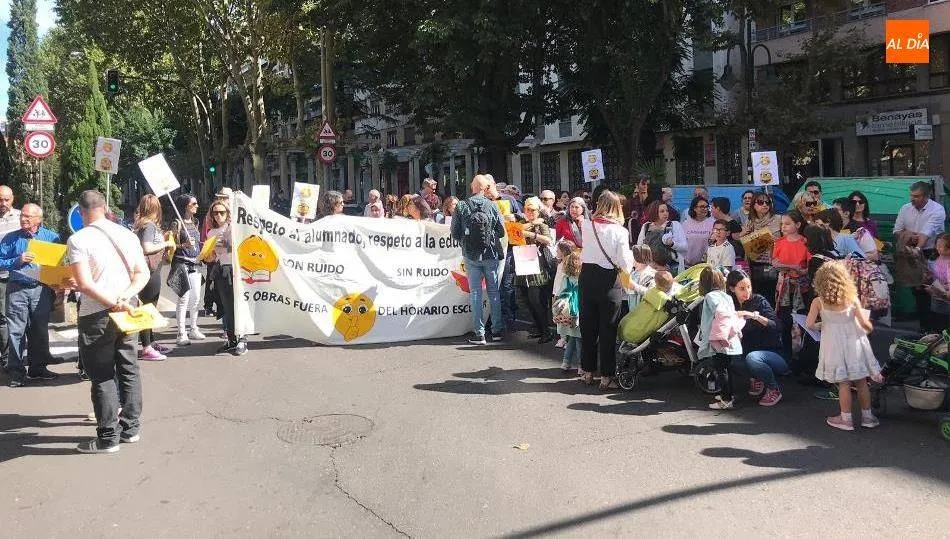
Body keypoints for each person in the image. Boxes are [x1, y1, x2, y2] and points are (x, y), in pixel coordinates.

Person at [68, 190, 150, 453]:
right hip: (129, 309)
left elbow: (84, 284)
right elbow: (142, 273)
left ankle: (107, 438)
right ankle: (131, 429)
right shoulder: (127, 234)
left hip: (96, 315)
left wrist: (112, 301)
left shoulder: (78, 239)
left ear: (81, 212)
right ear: (105, 207)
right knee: (129, 367)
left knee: (102, 375)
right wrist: (124, 297)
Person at [806, 261, 882, 431]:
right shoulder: (852, 300)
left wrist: (822, 324)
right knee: (861, 381)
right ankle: (868, 417)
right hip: (854, 343)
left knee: (844, 383)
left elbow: (810, 324)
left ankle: (846, 418)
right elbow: (867, 326)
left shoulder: (818, 302)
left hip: (833, 345)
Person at [0, 203, 61, 386]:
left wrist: (58, 284)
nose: (23, 219)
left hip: (41, 289)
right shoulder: (10, 238)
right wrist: (17, 260)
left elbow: (57, 264)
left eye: (27, 216)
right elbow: (1, 261)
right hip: (17, 288)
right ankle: (17, 372)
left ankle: (38, 368)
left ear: (38, 219)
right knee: (16, 331)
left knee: (39, 330)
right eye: (22, 216)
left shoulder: (51, 237)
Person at [578, 190, 633, 390]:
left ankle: (587, 371)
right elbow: (624, 262)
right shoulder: (620, 231)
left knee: (588, 328)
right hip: (609, 281)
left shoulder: (586, 225)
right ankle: (607, 376)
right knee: (607, 330)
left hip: (587, 278)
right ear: (617, 207)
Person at [450, 175, 507, 345]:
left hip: (471, 255)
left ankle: (479, 333)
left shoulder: (461, 205)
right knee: (494, 293)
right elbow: (502, 231)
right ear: (485, 188)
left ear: (472, 186)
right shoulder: (492, 205)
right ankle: (496, 331)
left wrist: (465, 242)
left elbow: (454, 232)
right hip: (490, 255)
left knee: (475, 293)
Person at [727, 270, 787, 407]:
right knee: (731, 358)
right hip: (747, 349)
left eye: (748, 287)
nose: (746, 291)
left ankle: (773, 389)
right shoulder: (731, 305)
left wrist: (755, 316)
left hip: (773, 354)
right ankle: (756, 377)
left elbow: (776, 326)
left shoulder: (759, 301)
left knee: (753, 358)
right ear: (732, 289)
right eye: (742, 288)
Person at [893, 181, 947, 333]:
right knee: (917, 290)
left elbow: (927, 232)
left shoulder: (937, 210)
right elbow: (897, 230)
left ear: (926, 196)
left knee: (933, 290)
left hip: (931, 252)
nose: (912, 199)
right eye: (911, 195)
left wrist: (917, 247)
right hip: (910, 252)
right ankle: (925, 327)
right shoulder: (905, 208)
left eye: (916, 196)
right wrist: (908, 235)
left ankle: (935, 329)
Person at [696, 267, 743, 410]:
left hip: (719, 338)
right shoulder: (726, 296)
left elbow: (719, 312)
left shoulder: (710, 297)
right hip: (729, 336)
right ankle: (728, 394)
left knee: (721, 368)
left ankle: (726, 399)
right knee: (726, 367)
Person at [133, 194, 172, 361]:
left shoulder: (141, 225)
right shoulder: (148, 226)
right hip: (150, 271)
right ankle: (147, 347)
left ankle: (151, 342)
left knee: (149, 308)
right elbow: (147, 247)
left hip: (148, 270)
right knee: (148, 308)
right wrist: (166, 243)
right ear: (156, 209)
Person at [206, 199, 247, 356]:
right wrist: (207, 254)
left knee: (237, 307)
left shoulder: (234, 228)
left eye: (222, 212)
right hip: (221, 270)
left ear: (228, 213)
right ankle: (231, 340)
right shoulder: (211, 232)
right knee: (226, 307)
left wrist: (224, 243)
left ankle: (242, 339)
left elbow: (237, 246)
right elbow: (211, 258)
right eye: (215, 213)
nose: (218, 216)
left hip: (234, 270)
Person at [771, 210, 810, 362]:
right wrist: (785, 266)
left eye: (787, 224)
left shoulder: (805, 242)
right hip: (784, 288)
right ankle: (786, 355)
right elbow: (774, 261)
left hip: (802, 287)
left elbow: (809, 267)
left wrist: (797, 269)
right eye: (782, 224)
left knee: (801, 320)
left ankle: (801, 355)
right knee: (785, 321)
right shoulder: (779, 242)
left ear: (798, 224)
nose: (783, 227)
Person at [515, 197, 555, 343]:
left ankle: (546, 331)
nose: (530, 212)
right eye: (527, 209)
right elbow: (511, 232)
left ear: (538, 211)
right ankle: (538, 328)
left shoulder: (542, 224)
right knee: (526, 300)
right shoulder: (521, 223)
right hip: (522, 264)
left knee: (537, 301)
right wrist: (528, 225)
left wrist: (532, 234)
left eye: (533, 210)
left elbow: (549, 240)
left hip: (537, 267)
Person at [169, 194, 205, 346]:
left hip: (195, 264)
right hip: (181, 263)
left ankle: (193, 328)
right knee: (183, 299)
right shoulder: (176, 224)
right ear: (185, 206)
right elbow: (170, 246)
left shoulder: (196, 222)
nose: (197, 206)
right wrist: (183, 246)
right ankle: (181, 332)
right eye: (194, 203)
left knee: (196, 298)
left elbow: (198, 244)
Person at [740, 192, 782, 301]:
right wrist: (743, 235)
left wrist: (776, 240)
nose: (764, 205)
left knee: (772, 297)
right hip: (755, 266)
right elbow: (744, 244)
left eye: (767, 202)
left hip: (773, 265)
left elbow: (786, 240)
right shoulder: (750, 221)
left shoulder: (778, 219)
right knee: (758, 297)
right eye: (760, 202)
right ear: (754, 205)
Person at [0, 185, 22, 367]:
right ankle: (7, 357)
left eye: (6, 199)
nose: (3, 203)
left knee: (18, 318)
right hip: (1, 275)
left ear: (12, 199)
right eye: (0, 200)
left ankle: (18, 356)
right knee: (3, 318)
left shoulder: (21, 217)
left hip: (18, 276)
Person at [552, 244, 582, 372]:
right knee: (579, 340)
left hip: (567, 311)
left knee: (572, 338)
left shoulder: (566, 278)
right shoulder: (581, 279)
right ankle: (581, 365)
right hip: (578, 310)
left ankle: (566, 362)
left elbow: (560, 291)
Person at [636, 201, 687, 275]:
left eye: (667, 211)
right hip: (651, 269)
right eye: (662, 211)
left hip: (670, 268)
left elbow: (685, 247)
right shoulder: (646, 227)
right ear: (654, 212)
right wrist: (651, 264)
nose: (665, 213)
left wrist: (672, 244)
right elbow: (640, 248)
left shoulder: (674, 225)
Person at [923, 233, 950, 325]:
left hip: (947, 293)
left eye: (941, 246)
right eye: (937, 245)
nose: (938, 248)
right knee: (938, 319)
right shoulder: (933, 260)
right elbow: (932, 276)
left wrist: (946, 287)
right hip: (938, 296)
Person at [681, 196, 714, 267]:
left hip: (705, 265)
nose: (705, 209)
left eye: (707, 207)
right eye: (702, 207)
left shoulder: (713, 223)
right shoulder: (685, 224)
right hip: (686, 265)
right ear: (694, 208)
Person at [625, 245, 655, 310]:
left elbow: (652, 293)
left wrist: (634, 287)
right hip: (632, 311)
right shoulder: (633, 272)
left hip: (643, 313)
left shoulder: (651, 274)